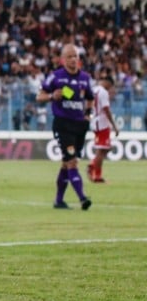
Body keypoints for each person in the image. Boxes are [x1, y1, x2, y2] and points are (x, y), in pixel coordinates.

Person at [36, 44, 94, 210]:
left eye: (75, 56)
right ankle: (83, 198)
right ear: (63, 60)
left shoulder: (84, 78)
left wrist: (88, 114)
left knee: (66, 163)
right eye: (69, 56)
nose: (73, 59)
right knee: (72, 162)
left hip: (80, 126)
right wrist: (51, 96)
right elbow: (39, 96)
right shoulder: (56, 77)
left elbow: (90, 98)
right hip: (63, 125)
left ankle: (59, 200)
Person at [88, 75, 119, 183]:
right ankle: (97, 176)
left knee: (106, 148)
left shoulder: (94, 89)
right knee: (101, 150)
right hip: (102, 123)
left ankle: (92, 165)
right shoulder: (103, 92)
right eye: (110, 86)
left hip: (95, 121)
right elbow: (106, 109)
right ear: (107, 83)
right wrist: (114, 126)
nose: (110, 89)